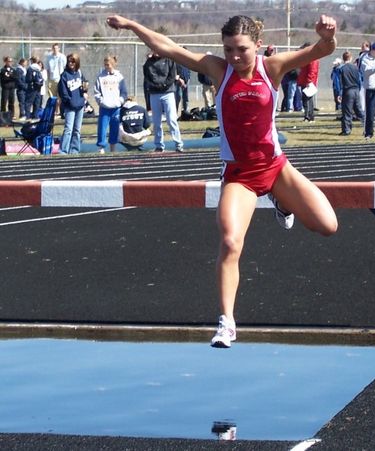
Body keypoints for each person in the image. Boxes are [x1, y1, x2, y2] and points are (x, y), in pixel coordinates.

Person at [106, 13, 339, 348]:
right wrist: (131, 26)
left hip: (275, 168)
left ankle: (279, 198)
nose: (234, 56)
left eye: (241, 49)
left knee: (327, 225)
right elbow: (168, 48)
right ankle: (227, 322)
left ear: (257, 46)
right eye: (228, 49)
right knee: (230, 242)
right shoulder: (219, 70)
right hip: (239, 175)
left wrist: (328, 35)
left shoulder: (271, 67)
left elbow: (322, 50)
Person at [143, 52, 183, 152]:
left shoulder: (169, 60)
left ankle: (178, 144)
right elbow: (147, 77)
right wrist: (155, 86)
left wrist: (165, 85)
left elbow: (172, 75)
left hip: (168, 93)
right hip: (154, 94)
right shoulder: (149, 62)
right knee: (156, 122)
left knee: (171, 119)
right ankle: (159, 145)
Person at [94, 55, 128, 154]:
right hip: (104, 107)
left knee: (114, 128)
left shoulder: (119, 77)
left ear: (112, 64)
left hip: (116, 107)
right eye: (105, 64)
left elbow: (124, 92)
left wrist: (120, 101)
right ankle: (101, 146)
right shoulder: (100, 76)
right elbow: (97, 92)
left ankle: (113, 147)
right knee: (102, 127)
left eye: (108, 64)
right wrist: (101, 101)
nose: (106, 66)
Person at [58, 53, 87, 154]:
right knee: (68, 129)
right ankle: (63, 151)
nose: (71, 63)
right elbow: (62, 91)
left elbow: (84, 84)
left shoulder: (79, 73)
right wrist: (69, 101)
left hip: (80, 105)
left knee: (77, 130)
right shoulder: (65, 75)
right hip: (70, 106)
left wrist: (85, 93)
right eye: (69, 61)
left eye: (73, 61)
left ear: (77, 62)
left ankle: (74, 150)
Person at [338, 50, 364, 136]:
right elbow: (360, 80)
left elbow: (340, 82)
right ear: (351, 58)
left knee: (347, 112)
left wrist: (340, 93)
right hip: (356, 90)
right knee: (359, 111)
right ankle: (367, 127)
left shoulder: (341, 68)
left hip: (347, 91)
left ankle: (347, 130)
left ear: (343, 58)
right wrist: (358, 89)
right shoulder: (356, 68)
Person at [297, 42, 320, 122]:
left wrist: (309, 81)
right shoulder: (308, 57)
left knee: (307, 100)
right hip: (305, 81)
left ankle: (309, 116)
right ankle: (308, 116)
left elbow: (312, 71)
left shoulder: (312, 58)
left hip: (308, 83)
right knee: (306, 99)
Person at [46, 43, 67, 116]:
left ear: (59, 49)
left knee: (60, 96)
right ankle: (54, 111)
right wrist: (48, 80)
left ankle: (60, 111)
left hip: (60, 79)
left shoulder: (62, 57)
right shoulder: (49, 57)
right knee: (53, 97)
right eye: (54, 48)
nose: (55, 50)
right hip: (52, 79)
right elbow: (48, 69)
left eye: (56, 48)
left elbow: (65, 68)